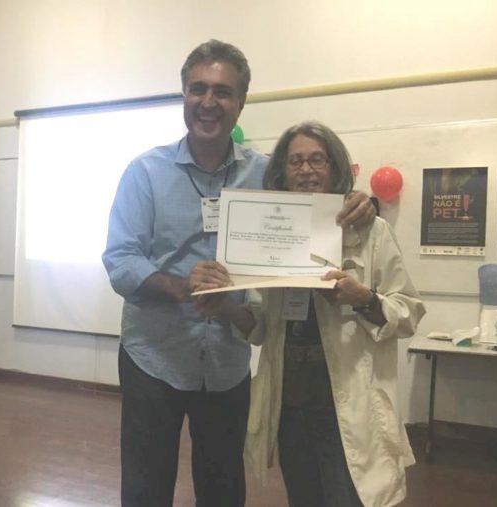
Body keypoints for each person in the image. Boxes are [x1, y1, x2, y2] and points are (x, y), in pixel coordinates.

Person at [102, 40, 376, 507]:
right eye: (198, 89)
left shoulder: (267, 174)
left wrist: (363, 202)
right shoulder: (144, 172)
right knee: (146, 488)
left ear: (241, 102)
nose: (208, 102)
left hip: (227, 364)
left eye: (222, 92)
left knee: (224, 488)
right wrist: (182, 287)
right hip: (154, 357)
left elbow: (317, 206)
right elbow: (121, 260)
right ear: (184, 94)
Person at [191, 121, 425, 507]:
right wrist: (227, 306)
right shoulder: (272, 237)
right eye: (295, 161)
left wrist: (364, 298)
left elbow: (409, 313)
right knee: (304, 495)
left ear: (335, 167)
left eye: (317, 160)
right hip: (290, 395)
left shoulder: (371, 231)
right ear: (282, 172)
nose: (306, 170)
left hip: (347, 395)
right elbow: (261, 327)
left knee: (348, 496)